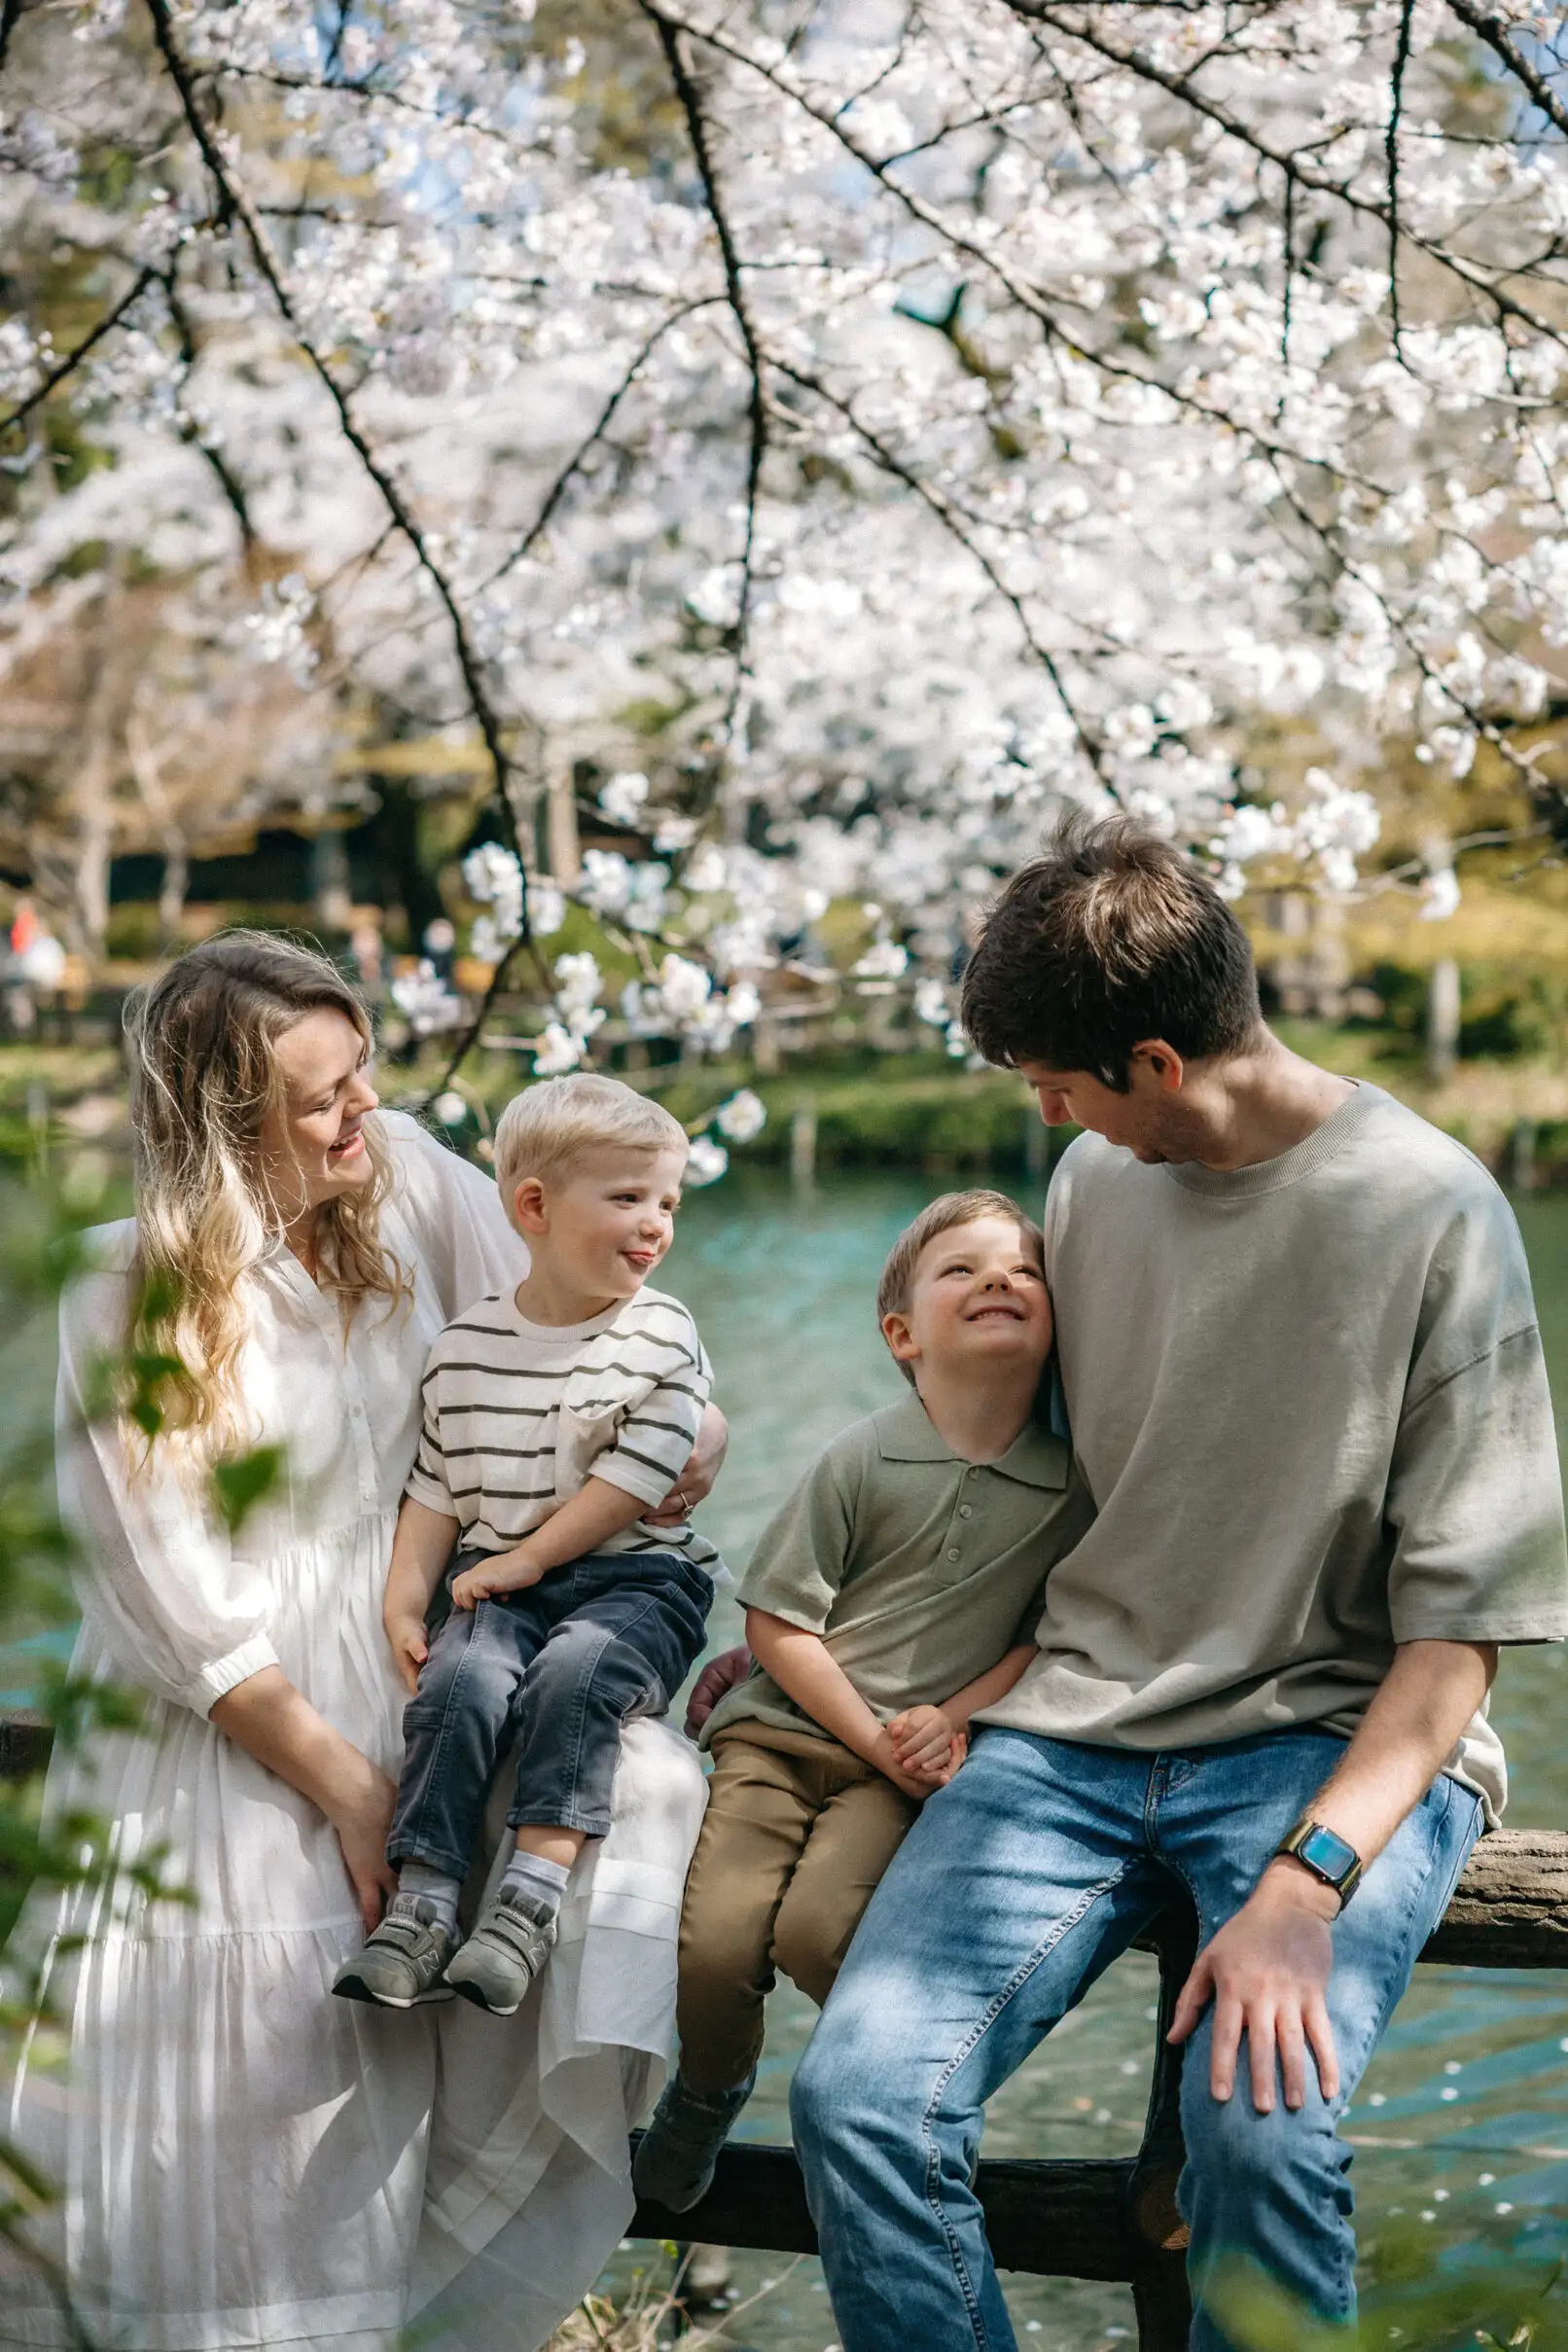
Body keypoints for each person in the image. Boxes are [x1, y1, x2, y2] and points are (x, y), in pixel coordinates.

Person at [786, 815, 1568, 2351]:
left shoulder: (1434, 1212)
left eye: (1055, 1080)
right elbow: (1014, 1472)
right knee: (857, 2097)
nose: (1043, 1112)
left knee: (1259, 2137)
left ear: (1153, 1059)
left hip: (1328, 1749)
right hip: (1069, 1737)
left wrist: (1306, 1884)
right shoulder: (1096, 1178)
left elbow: (1459, 1637)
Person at [0, 933, 723, 2352]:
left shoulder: (403, 1182)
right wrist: (344, 1787)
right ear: (227, 1121)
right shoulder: (127, 1285)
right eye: (320, 1097)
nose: (363, 1111)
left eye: (362, 1073)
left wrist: (689, 1430)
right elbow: (161, 1590)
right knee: (281, 2066)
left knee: (637, 1786)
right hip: (236, 1725)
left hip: (416, 1659)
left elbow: (585, 1317)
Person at [634, 1190, 1093, 2213]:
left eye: (1024, 1270)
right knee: (714, 1946)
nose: (999, 1279)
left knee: (818, 1934)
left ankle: (899, 2105)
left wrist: (953, 1718)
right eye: (961, 1270)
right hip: (777, 1740)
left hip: (901, 1777)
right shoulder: (862, 1455)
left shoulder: (1071, 1488)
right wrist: (879, 1738)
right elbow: (776, 1624)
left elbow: (1045, 1639)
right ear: (902, 1335)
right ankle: (709, 2091)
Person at [336, 1074, 721, 2016]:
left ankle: (528, 1903)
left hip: (639, 1579)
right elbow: (436, 1487)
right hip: (500, 1580)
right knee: (457, 1681)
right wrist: (404, 1599)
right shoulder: (465, 1347)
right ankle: (423, 1905)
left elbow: (636, 1478)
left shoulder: (662, 1332)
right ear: (535, 1207)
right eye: (628, 1198)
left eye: (667, 1202)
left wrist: (530, 1559)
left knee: (576, 1675)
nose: (655, 1224)